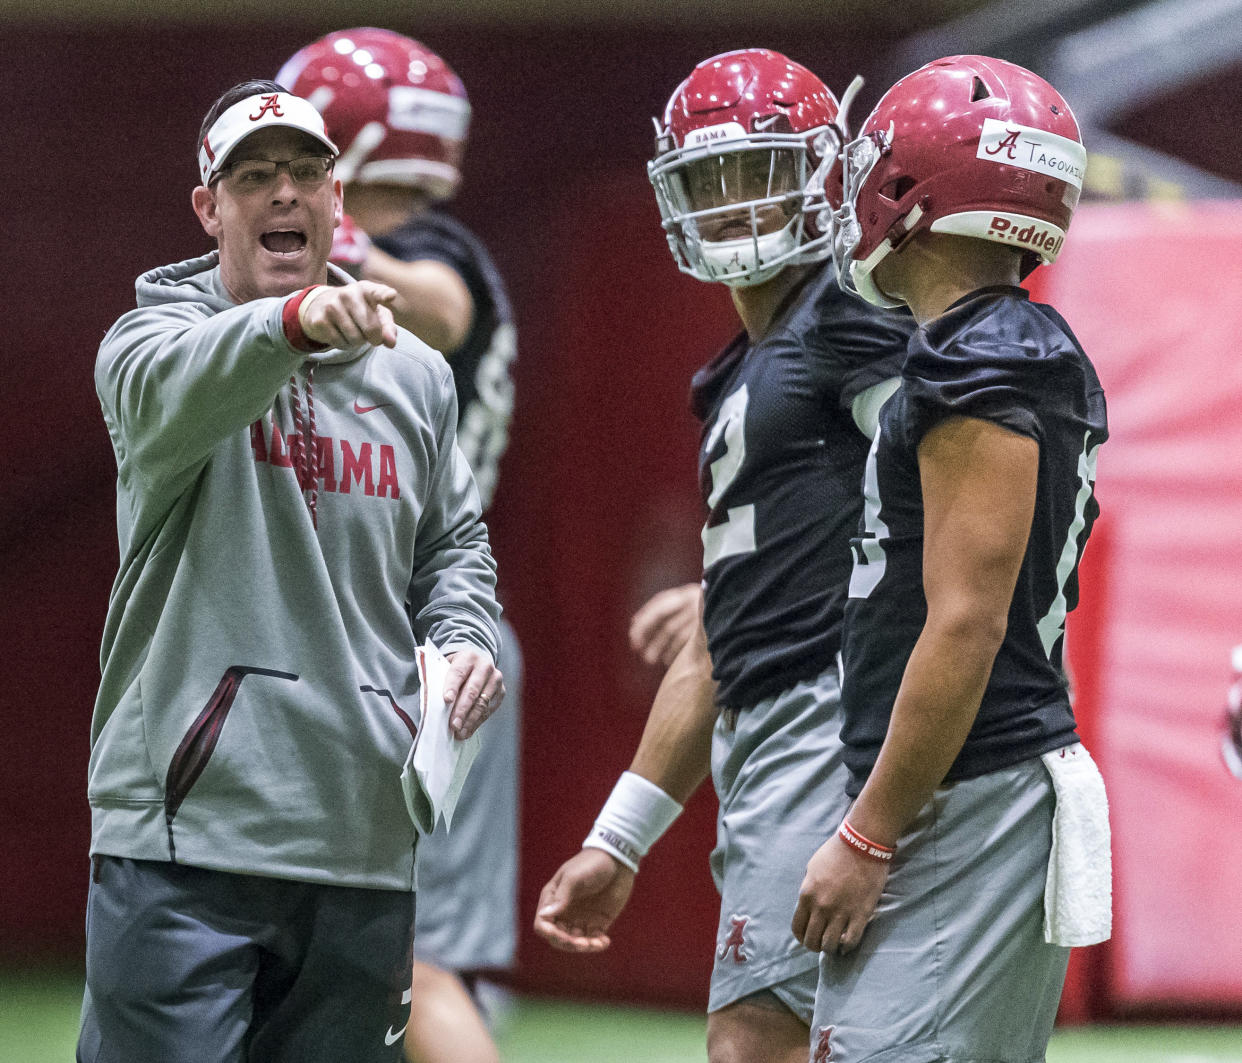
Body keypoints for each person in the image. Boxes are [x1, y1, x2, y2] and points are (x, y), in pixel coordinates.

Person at [78, 79, 505, 1063]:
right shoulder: (149, 343)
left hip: (360, 838)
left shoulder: (415, 374)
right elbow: (175, 393)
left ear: (337, 201)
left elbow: (454, 546)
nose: (284, 194)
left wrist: (468, 639)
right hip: (187, 839)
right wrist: (298, 323)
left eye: (308, 173)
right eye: (255, 176)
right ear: (209, 207)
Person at [533, 50, 914, 1063]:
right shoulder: (745, 370)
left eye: (760, 171)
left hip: (832, 718)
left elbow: (944, 501)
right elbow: (713, 652)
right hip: (772, 730)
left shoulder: (855, 313)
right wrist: (618, 839)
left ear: (826, 170)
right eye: (712, 180)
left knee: (758, 1043)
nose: (738, 205)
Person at [793, 55, 1112, 1063]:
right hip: (964, 781)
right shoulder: (985, 341)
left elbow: (965, 620)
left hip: (967, 788)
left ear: (908, 186)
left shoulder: (989, 354)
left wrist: (866, 833)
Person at [276, 30, 520, 1063]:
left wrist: (335, 244)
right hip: (389, 628)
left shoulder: (433, 256)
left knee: (417, 963)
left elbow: (444, 307)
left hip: (419, 631)